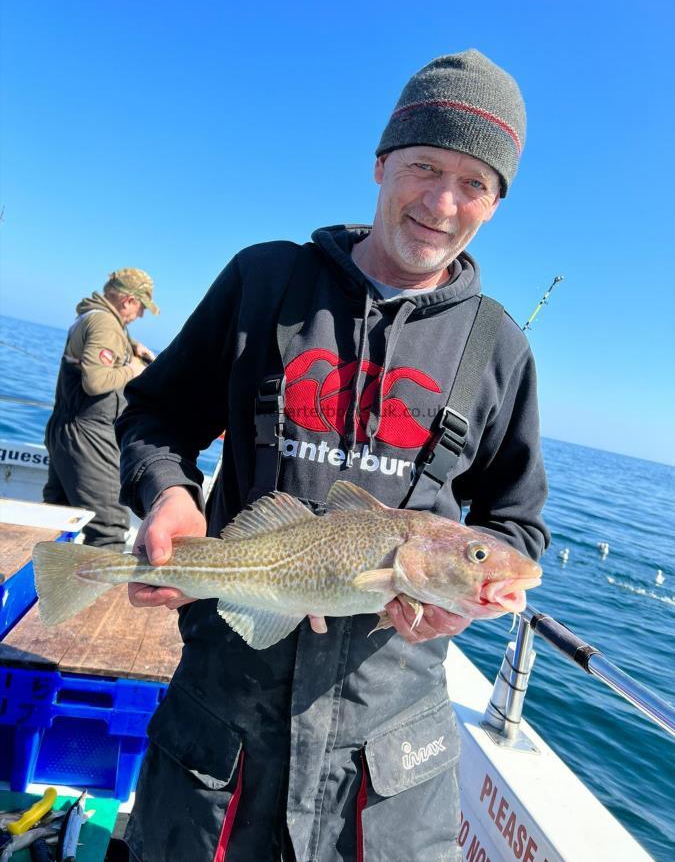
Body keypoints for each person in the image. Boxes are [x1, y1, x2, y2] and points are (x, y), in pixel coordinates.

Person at [117, 50, 549, 861]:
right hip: (220, 726)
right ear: (382, 162)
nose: (442, 202)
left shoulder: (499, 347)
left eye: (474, 183)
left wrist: (469, 599)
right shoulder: (264, 280)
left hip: (389, 763)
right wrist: (167, 493)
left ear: (495, 203)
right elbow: (156, 414)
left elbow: (516, 523)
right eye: (424, 165)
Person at [44, 268, 159, 551]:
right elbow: (96, 382)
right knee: (108, 529)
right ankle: (97, 596)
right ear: (128, 300)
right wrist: (132, 369)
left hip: (65, 431)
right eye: (141, 306)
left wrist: (130, 344)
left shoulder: (92, 316)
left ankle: (45, 586)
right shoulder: (105, 325)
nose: (141, 314)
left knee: (56, 516)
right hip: (88, 435)